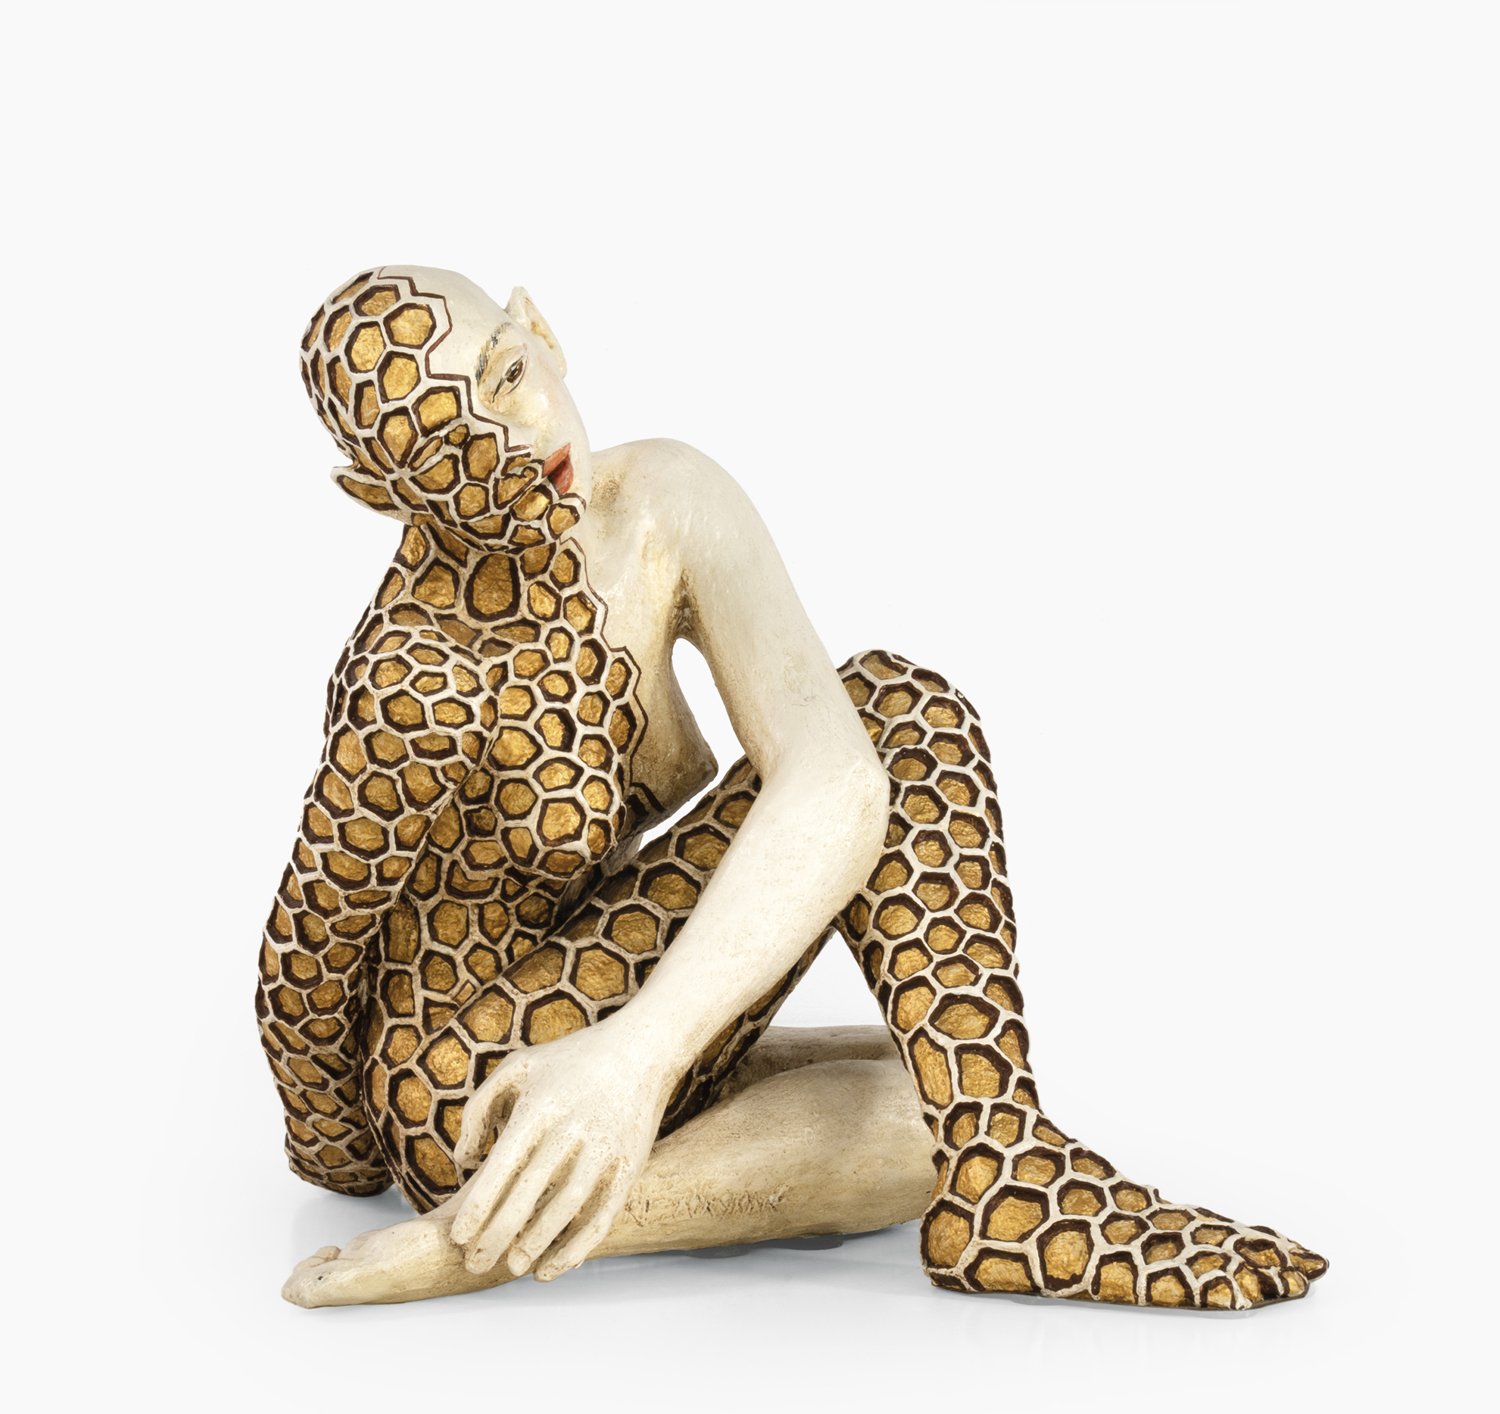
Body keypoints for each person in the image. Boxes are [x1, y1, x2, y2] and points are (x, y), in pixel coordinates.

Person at [267, 266, 1326, 1309]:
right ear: (381, 495)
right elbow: (306, 957)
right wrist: (351, 1163)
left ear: (540, 327)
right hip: (470, 1091)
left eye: (507, 377)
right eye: (444, 451)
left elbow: (833, 777)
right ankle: (469, 1242)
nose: (507, 447)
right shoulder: (416, 679)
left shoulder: (662, 501)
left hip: (611, 1000)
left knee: (937, 1085)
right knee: (939, 1022)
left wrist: (636, 1058)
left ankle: (997, 1168)